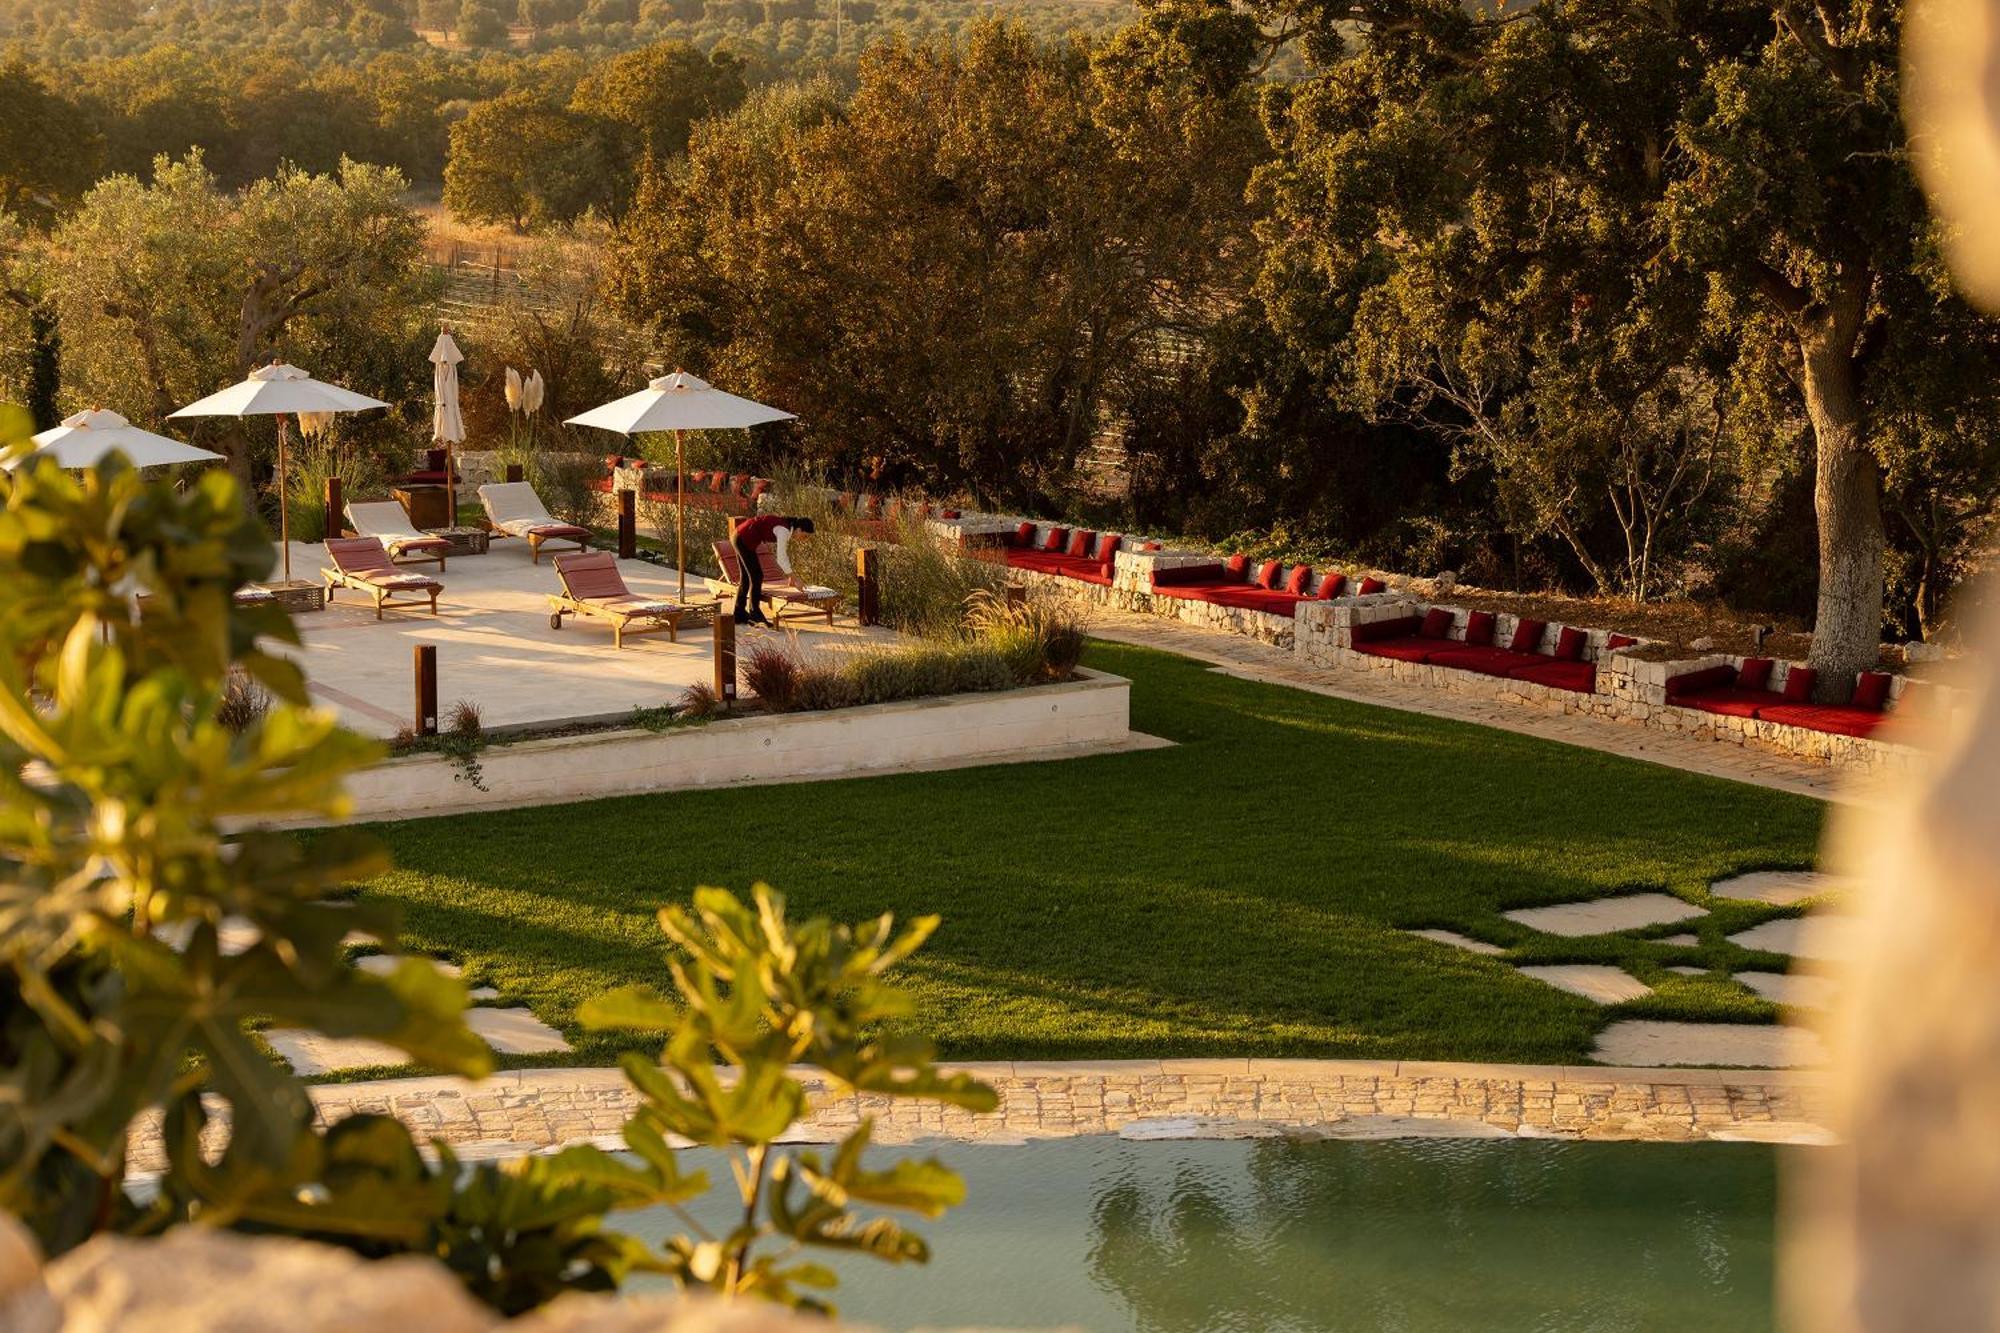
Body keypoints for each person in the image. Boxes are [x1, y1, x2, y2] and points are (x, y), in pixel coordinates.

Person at [729, 513, 814, 625]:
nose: (804, 540)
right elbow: (781, 557)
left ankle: (739, 614)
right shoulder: (784, 531)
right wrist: (795, 578)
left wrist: (791, 578)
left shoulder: (786, 528)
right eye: (805, 536)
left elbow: (783, 556)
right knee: (757, 576)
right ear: (798, 529)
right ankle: (754, 614)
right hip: (742, 539)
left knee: (746, 577)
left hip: (740, 536)